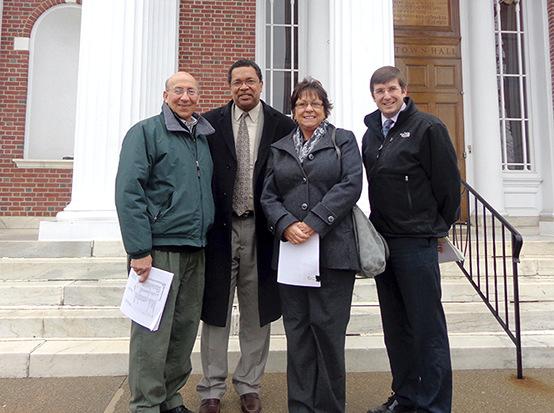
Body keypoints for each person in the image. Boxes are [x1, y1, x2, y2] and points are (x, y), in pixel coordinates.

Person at [196, 59, 295, 413]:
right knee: (216, 311)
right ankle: (211, 388)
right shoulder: (207, 123)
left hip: (262, 230)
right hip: (220, 231)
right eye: (237, 82)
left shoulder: (283, 125)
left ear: (261, 84)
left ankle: (249, 385)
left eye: (250, 81)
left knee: (257, 312)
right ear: (229, 87)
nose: (244, 87)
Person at [362, 66, 461, 413]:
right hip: (384, 244)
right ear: (373, 96)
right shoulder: (371, 133)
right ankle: (406, 399)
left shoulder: (428, 127)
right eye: (379, 91)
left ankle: (434, 405)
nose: (386, 96)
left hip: (417, 242)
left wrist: (437, 227)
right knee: (397, 329)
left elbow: (448, 185)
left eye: (392, 89)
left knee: (427, 330)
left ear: (404, 91)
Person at [115, 71, 215, 413]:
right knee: (151, 335)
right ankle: (146, 405)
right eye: (178, 91)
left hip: (195, 248)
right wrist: (139, 250)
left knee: (182, 332)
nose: (184, 97)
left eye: (191, 91)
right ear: (165, 95)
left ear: (198, 96)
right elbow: (129, 193)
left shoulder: (202, 136)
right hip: (158, 252)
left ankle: (170, 399)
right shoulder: (145, 133)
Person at [261, 77, 362, 413]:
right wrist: (286, 224)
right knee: (298, 334)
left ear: (325, 108)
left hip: (334, 253)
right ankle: (300, 406)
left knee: (329, 334)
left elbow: (350, 185)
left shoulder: (342, 140)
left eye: (315, 103)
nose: (308, 109)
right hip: (292, 253)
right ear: (293, 110)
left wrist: (315, 223)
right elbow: (268, 195)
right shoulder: (280, 148)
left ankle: (329, 407)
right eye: (301, 104)